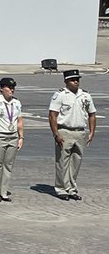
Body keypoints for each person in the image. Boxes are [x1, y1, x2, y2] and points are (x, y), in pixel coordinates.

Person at [49, 69, 96, 201]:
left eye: (77, 79)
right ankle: (61, 189)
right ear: (66, 81)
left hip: (80, 132)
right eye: (72, 80)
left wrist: (91, 132)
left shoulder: (85, 95)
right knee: (62, 162)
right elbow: (53, 115)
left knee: (76, 161)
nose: (76, 82)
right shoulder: (60, 95)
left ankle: (71, 188)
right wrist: (55, 133)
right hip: (65, 131)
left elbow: (92, 114)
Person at [0, 77, 24, 202]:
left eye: (13, 88)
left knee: (8, 165)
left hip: (12, 136)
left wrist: (21, 137)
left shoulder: (16, 103)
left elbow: (19, 120)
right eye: (9, 87)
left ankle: (4, 191)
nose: (11, 90)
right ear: (2, 89)